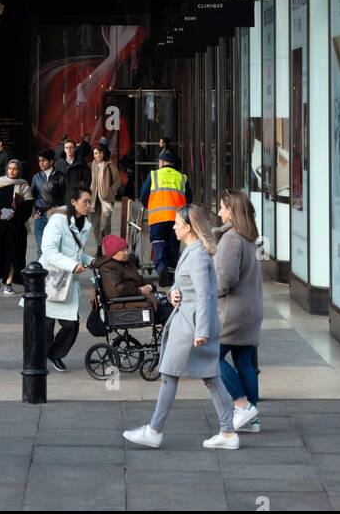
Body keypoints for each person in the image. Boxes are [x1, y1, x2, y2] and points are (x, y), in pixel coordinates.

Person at [124, 204, 238, 450]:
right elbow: (190, 286)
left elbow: (206, 296)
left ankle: (154, 430)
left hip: (190, 326)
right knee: (210, 377)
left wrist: (202, 332)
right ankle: (228, 431)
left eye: (176, 223)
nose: (173, 227)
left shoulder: (197, 255)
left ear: (188, 227)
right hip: (189, 323)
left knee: (170, 375)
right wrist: (175, 292)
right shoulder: (193, 251)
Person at [215, 190, 264, 434]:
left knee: (210, 357)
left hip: (233, 311)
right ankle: (252, 418)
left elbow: (226, 279)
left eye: (222, 208)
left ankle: (242, 406)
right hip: (252, 308)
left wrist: (209, 294)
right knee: (244, 361)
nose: (219, 212)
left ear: (232, 211)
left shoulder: (232, 239)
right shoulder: (250, 237)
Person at [40, 186, 94, 371]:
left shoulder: (85, 224)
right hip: (51, 278)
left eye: (90, 201)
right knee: (46, 324)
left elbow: (78, 253)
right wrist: (72, 265)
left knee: (71, 324)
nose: (89, 205)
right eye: (85, 201)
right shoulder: (57, 221)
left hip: (69, 281)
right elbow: (48, 250)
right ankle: (42, 357)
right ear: (73, 201)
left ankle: (54, 354)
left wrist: (92, 261)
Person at [92, 234, 172, 326]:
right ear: (113, 253)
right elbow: (117, 290)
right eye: (123, 250)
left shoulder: (127, 262)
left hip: (133, 298)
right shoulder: (107, 268)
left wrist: (150, 286)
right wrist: (139, 290)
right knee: (168, 313)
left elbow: (139, 279)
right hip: (123, 303)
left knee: (170, 303)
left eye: (127, 249)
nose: (127, 253)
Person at [139, 151, 191, 286]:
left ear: (161, 162)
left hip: (158, 217)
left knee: (159, 243)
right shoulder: (182, 178)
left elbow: (143, 195)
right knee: (174, 244)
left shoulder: (153, 175)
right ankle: (172, 274)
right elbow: (189, 199)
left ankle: (161, 267)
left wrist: (149, 205)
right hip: (178, 219)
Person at [0, 159, 34, 294]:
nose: (12, 171)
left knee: (13, 255)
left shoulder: (24, 186)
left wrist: (15, 214)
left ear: (19, 170)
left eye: (15, 169)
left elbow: (28, 207)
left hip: (15, 227)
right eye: (10, 168)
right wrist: (0, 213)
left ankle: (8, 282)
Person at [89, 142, 119, 253]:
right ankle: (99, 247)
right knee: (95, 224)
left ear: (103, 153)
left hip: (106, 199)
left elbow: (117, 181)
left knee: (105, 224)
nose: (98, 155)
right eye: (96, 153)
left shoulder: (110, 165)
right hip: (94, 199)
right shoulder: (92, 165)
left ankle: (108, 246)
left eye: (100, 153)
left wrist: (110, 191)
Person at [31, 150, 58, 253]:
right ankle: (40, 269)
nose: (41, 163)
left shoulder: (60, 176)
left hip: (56, 216)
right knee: (40, 248)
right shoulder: (36, 177)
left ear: (51, 162)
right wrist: (33, 213)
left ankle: (53, 269)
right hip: (40, 216)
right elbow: (31, 196)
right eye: (39, 161)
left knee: (55, 248)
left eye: (44, 161)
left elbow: (65, 197)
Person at [54, 139, 90, 204]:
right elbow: (55, 181)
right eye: (67, 148)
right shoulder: (58, 164)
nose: (69, 149)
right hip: (63, 197)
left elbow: (87, 180)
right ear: (64, 150)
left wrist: (82, 192)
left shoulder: (81, 163)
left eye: (71, 147)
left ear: (75, 149)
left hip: (78, 196)